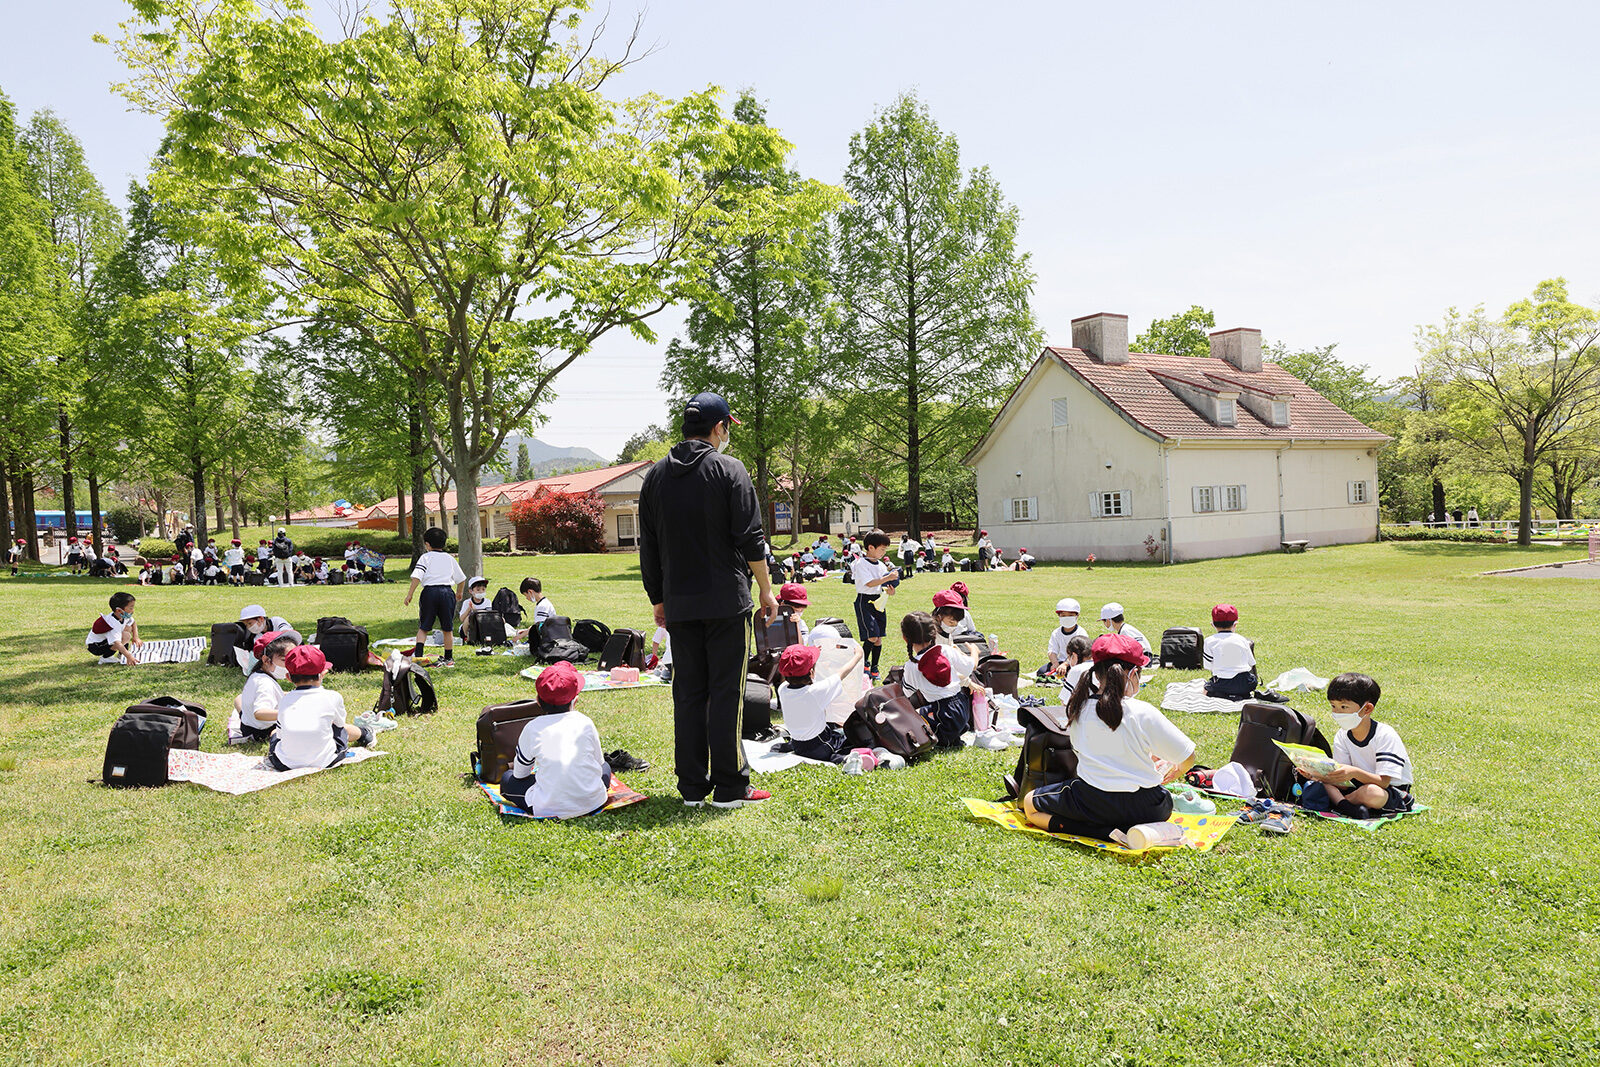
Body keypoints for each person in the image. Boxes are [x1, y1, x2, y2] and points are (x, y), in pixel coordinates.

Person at [638, 390, 777, 809]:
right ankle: (731, 787)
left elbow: (649, 546)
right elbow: (751, 539)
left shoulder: (656, 476)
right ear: (719, 428)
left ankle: (692, 787)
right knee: (726, 693)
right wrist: (767, 589)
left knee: (689, 693)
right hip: (725, 602)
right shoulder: (731, 470)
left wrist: (657, 599)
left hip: (680, 604)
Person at [1022, 634, 1197, 840]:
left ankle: (1099, 832)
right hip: (1149, 809)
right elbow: (1188, 756)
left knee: (1028, 804)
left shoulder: (1078, 709)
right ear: (1133, 673)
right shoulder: (1142, 711)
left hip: (1091, 802)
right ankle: (1134, 831)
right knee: (1163, 798)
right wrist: (1175, 771)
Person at [499, 661, 613, 818]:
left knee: (507, 779)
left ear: (538, 700)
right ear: (576, 699)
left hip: (548, 806)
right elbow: (599, 764)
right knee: (606, 767)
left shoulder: (533, 728)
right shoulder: (585, 721)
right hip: (594, 801)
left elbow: (519, 775)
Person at [1298, 672, 1415, 820]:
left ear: (1367, 709)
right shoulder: (1342, 735)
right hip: (1356, 785)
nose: (1336, 712)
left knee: (1371, 792)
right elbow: (1343, 783)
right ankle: (1348, 807)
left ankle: (1341, 805)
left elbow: (1384, 782)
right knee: (1321, 782)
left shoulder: (1385, 734)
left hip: (1389, 790)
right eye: (1333, 706)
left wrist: (1354, 772)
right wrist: (1315, 774)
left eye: (1344, 707)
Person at [266, 645, 383, 771]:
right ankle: (366, 734)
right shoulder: (333, 697)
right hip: (326, 760)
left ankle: (364, 734)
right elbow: (339, 725)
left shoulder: (284, 700)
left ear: (288, 677)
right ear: (323, 673)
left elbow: (280, 735)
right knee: (336, 727)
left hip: (285, 764)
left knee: (274, 734)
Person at [773, 642, 862, 764]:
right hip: (819, 746)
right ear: (811, 672)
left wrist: (813, 655)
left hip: (797, 744)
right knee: (850, 737)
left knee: (835, 730)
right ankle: (842, 759)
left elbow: (795, 675)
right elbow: (841, 673)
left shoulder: (782, 689)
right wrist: (858, 655)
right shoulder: (815, 692)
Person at [899, 611, 971, 748]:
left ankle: (946, 739)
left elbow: (907, 693)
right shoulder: (945, 649)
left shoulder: (912, 666)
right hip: (963, 708)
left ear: (905, 638)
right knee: (926, 711)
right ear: (933, 633)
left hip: (943, 717)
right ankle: (955, 735)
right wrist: (974, 653)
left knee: (911, 718)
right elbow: (969, 668)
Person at [404, 526, 466, 668]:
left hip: (429, 593)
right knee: (447, 628)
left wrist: (410, 594)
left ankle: (418, 655)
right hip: (447, 592)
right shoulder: (449, 558)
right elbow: (461, 579)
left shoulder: (425, 557)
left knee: (424, 626)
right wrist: (459, 592)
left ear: (427, 544)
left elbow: (416, 577)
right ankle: (449, 658)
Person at [850, 531, 901, 682]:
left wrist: (890, 589)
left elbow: (882, 584)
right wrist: (888, 577)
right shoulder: (861, 563)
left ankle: (874, 667)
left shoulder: (880, 565)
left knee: (878, 638)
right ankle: (863, 662)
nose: (884, 552)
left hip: (879, 601)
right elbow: (869, 583)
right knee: (871, 636)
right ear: (870, 547)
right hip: (864, 601)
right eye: (882, 549)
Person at [236, 631, 295, 742]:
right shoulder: (265, 683)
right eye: (284, 660)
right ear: (266, 660)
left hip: (247, 725)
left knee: (239, 698)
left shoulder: (257, 675)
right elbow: (260, 713)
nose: (290, 664)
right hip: (262, 731)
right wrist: (291, 714)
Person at [1202, 604, 1258, 699]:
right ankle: (1241, 694)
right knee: (1252, 680)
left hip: (1221, 683)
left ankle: (1222, 694)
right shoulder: (1242, 639)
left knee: (1208, 686)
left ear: (1212, 625)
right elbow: (1251, 663)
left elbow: (1208, 666)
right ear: (1235, 624)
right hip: (1245, 684)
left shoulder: (1209, 641)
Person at [1038, 597, 1090, 678]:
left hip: (1075, 662)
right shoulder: (1056, 633)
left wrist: (1065, 664)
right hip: (1059, 662)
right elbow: (1052, 651)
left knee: (1074, 673)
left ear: (1077, 616)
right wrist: (1055, 663)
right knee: (1041, 671)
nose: (1067, 618)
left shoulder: (1081, 633)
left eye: (1070, 615)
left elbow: (1080, 653)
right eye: (1063, 615)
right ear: (1059, 616)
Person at [86, 591, 143, 666]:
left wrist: (136, 637)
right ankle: (106, 657)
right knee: (126, 636)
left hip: (104, 642)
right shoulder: (113, 623)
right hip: (95, 646)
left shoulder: (123, 616)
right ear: (119, 610)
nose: (133, 610)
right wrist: (129, 656)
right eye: (131, 608)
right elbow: (117, 643)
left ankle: (121, 655)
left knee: (128, 629)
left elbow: (133, 623)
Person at [1056, 634, 1096, 702]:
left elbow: (1065, 702)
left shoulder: (1076, 670)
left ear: (1074, 655)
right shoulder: (1101, 666)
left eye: (1069, 657)